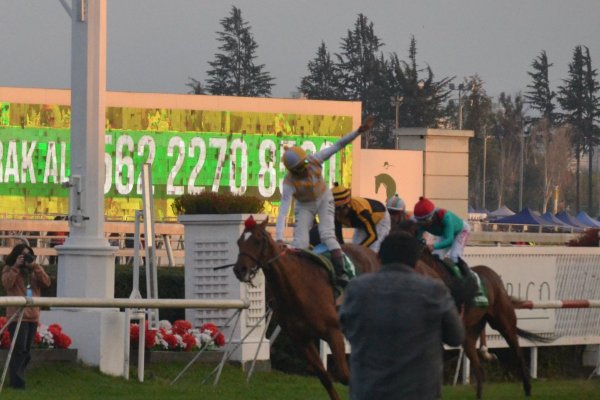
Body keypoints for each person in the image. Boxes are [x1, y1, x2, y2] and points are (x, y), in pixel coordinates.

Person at [340, 231, 464, 400]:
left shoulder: (356, 288)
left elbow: (347, 329)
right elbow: (456, 337)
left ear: (379, 258)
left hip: (368, 391)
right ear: (415, 263)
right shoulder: (435, 290)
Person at [275, 116, 375, 286]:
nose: (305, 169)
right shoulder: (289, 182)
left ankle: (341, 272)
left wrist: (357, 132)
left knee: (327, 234)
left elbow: (338, 145)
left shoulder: (315, 159)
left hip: (323, 198)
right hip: (304, 205)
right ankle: (301, 274)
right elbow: (283, 210)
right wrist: (278, 237)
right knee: (300, 242)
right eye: (300, 169)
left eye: (304, 164)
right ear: (293, 170)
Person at [413, 196, 488, 307]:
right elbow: (417, 238)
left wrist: (434, 246)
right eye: (421, 221)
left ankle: (474, 282)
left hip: (460, 231)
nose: (423, 224)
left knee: (454, 256)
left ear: (432, 216)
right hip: (444, 234)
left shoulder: (445, 217)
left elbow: (449, 240)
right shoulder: (421, 222)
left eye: (425, 221)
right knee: (435, 257)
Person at [1, 243, 51, 390]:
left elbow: (47, 283)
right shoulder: (9, 269)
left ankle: (19, 379)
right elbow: (7, 284)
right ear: (16, 256)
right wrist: (16, 266)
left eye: (28, 255)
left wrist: (35, 267)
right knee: (19, 349)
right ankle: (17, 383)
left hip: (33, 316)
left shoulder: (34, 271)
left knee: (27, 351)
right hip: (17, 316)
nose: (25, 259)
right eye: (22, 255)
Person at [331, 183, 391, 252]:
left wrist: (357, 250)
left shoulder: (361, 211)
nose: (337, 213)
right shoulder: (335, 213)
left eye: (340, 209)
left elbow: (373, 236)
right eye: (335, 209)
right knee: (355, 246)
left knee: (373, 250)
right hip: (361, 222)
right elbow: (338, 235)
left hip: (380, 220)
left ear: (348, 205)